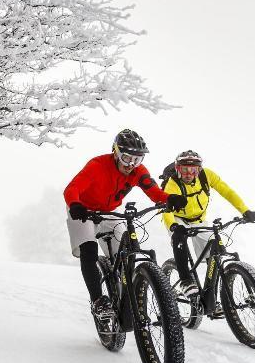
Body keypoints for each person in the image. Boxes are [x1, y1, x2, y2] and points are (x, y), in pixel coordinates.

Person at [63, 129, 187, 320]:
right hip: (83, 211)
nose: (131, 164)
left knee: (125, 249)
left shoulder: (138, 172)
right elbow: (71, 189)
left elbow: (153, 191)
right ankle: (98, 301)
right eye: (126, 157)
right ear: (115, 152)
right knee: (89, 249)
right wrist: (75, 204)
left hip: (109, 213)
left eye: (137, 160)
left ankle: (123, 290)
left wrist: (170, 198)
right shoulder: (97, 165)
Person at [162, 150, 255, 298]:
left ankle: (210, 296)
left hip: (199, 219)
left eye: (193, 170)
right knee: (178, 239)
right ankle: (186, 280)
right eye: (184, 170)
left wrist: (245, 210)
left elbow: (227, 191)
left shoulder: (206, 175)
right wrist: (173, 226)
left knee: (214, 250)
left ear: (199, 169)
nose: (189, 174)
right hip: (177, 218)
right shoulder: (172, 183)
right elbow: (166, 208)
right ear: (177, 169)